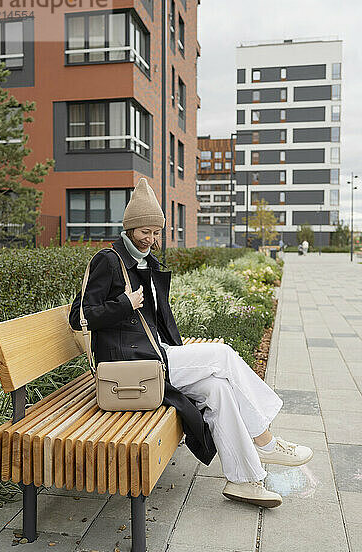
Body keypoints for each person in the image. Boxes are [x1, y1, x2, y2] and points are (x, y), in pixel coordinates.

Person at [69, 178, 313, 509]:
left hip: (152, 355)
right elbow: (80, 316)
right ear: (129, 228)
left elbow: (156, 320)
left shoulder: (143, 262)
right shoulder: (108, 260)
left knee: (218, 389)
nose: (151, 240)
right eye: (145, 232)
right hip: (131, 366)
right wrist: (125, 304)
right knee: (223, 356)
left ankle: (246, 481)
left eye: (156, 233)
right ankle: (265, 439)